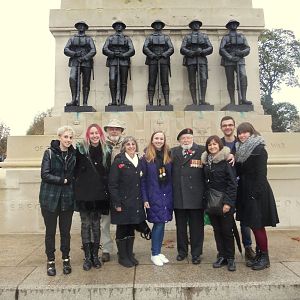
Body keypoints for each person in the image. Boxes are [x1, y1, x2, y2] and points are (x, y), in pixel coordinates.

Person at [235, 122, 279, 270]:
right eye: (240, 133)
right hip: (246, 190)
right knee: (253, 225)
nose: (242, 135)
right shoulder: (241, 150)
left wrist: (254, 194)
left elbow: (261, 175)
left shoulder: (259, 149)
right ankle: (259, 255)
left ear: (251, 133)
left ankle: (265, 257)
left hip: (257, 192)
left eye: (244, 132)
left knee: (258, 226)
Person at [39, 126, 76, 276]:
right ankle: (51, 260)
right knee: (50, 232)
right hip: (50, 199)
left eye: (70, 137)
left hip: (67, 199)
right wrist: (63, 180)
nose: (68, 140)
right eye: (65, 137)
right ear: (59, 137)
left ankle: (66, 258)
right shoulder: (49, 153)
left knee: (65, 232)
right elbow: (45, 174)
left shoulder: (74, 154)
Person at [74, 124, 111, 271]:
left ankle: (95, 256)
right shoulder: (80, 149)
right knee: (85, 224)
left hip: (99, 193)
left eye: (97, 133)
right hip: (84, 192)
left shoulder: (106, 150)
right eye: (92, 133)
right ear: (88, 135)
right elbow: (75, 169)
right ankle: (87, 257)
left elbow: (107, 171)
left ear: (100, 135)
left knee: (96, 224)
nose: (95, 135)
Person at [220, 116, 256, 262]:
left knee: (245, 220)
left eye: (230, 125)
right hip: (225, 188)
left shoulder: (241, 142)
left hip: (242, 187)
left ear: (234, 126)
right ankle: (226, 251)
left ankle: (248, 247)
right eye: (224, 125)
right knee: (226, 222)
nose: (227, 127)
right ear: (221, 127)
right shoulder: (218, 143)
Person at [109, 136, 146, 268]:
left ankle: (129, 253)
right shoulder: (119, 161)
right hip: (123, 203)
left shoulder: (140, 161)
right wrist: (117, 203)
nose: (131, 146)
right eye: (128, 144)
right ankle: (122, 256)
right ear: (124, 146)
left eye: (133, 144)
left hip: (135, 202)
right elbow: (112, 185)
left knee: (131, 228)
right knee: (122, 228)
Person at [201, 136, 237, 271]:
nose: (212, 147)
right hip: (211, 203)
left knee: (227, 231)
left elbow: (232, 184)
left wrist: (228, 203)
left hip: (224, 202)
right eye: (209, 145)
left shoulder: (226, 161)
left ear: (219, 145)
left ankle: (231, 258)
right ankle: (222, 255)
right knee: (217, 230)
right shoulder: (206, 162)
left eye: (215, 144)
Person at [171, 128, 205, 264]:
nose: (186, 140)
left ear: (192, 138)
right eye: (183, 138)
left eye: (188, 138)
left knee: (197, 227)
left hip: (196, 196)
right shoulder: (173, 151)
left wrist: (229, 155)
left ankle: (196, 253)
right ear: (179, 140)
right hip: (179, 195)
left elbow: (218, 152)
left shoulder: (202, 150)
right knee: (180, 227)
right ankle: (182, 252)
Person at [140, 131, 173, 266]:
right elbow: (143, 181)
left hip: (166, 194)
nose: (159, 141)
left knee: (163, 222)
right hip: (154, 195)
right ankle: (154, 253)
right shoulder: (146, 158)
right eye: (156, 138)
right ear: (152, 140)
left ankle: (158, 252)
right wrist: (145, 199)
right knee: (158, 224)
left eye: (161, 138)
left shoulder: (169, 157)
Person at [101, 119, 126, 262]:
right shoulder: (102, 145)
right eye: (111, 129)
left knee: (123, 221)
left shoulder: (126, 145)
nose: (114, 131)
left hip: (122, 190)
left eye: (117, 129)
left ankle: (123, 248)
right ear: (107, 131)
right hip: (105, 190)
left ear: (121, 131)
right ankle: (106, 249)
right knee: (105, 222)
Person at [180, 19, 213, 105]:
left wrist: (202, 51)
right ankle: (194, 101)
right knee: (192, 81)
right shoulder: (187, 37)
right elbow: (182, 48)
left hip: (201, 59)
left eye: (197, 24)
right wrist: (192, 52)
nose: (196, 26)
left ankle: (202, 100)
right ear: (191, 26)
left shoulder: (204, 36)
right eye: (194, 24)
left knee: (203, 79)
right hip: (191, 60)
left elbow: (210, 48)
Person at [219, 20, 252, 105]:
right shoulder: (225, 37)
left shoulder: (242, 36)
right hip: (229, 60)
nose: (233, 25)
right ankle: (232, 101)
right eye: (231, 24)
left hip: (239, 59)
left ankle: (243, 99)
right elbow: (221, 49)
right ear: (228, 26)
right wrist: (230, 57)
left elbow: (247, 48)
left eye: (235, 24)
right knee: (230, 80)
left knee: (243, 77)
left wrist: (241, 53)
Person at [102, 21, 135, 106]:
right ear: (114, 28)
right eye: (117, 26)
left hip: (124, 61)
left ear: (123, 28)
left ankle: (123, 101)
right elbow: (105, 49)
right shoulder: (110, 38)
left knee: (123, 82)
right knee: (112, 80)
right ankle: (113, 100)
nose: (119, 27)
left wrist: (123, 55)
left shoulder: (127, 38)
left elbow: (132, 50)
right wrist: (113, 53)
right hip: (113, 61)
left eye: (120, 26)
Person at [64, 21, 96, 106]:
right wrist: (74, 54)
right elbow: (66, 49)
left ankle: (85, 102)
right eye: (79, 26)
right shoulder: (72, 38)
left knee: (86, 82)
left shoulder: (89, 39)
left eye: (83, 26)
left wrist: (84, 58)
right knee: (72, 78)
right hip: (75, 61)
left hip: (86, 62)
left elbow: (93, 50)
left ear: (85, 28)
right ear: (77, 28)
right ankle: (74, 99)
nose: (81, 27)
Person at [143, 20, 174, 106]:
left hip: (163, 60)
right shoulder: (150, 37)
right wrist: (152, 55)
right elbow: (145, 48)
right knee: (152, 81)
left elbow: (171, 48)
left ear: (162, 26)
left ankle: (167, 102)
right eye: (156, 25)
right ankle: (150, 102)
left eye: (159, 25)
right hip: (153, 60)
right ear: (153, 26)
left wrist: (164, 54)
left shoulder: (166, 37)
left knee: (165, 81)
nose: (158, 26)